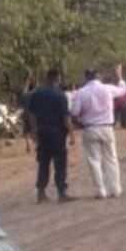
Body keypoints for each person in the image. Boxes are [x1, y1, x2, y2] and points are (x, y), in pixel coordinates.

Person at [71, 64, 126, 199]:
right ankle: (115, 189)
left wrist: (80, 122)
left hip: (90, 128)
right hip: (107, 127)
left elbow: (75, 112)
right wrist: (119, 75)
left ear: (86, 77)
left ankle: (100, 190)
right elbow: (123, 90)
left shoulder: (81, 92)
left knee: (94, 160)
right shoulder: (107, 88)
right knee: (111, 158)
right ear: (97, 76)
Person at [27, 69, 75, 204]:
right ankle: (62, 193)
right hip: (57, 133)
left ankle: (41, 192)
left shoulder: (36, 94)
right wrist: (71, 134)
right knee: (60, 163)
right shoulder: (60, 95)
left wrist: (34, 131)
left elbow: (32, 115)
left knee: (43, 162)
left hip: (42, 133)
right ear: (57, 79)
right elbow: (65, 117)